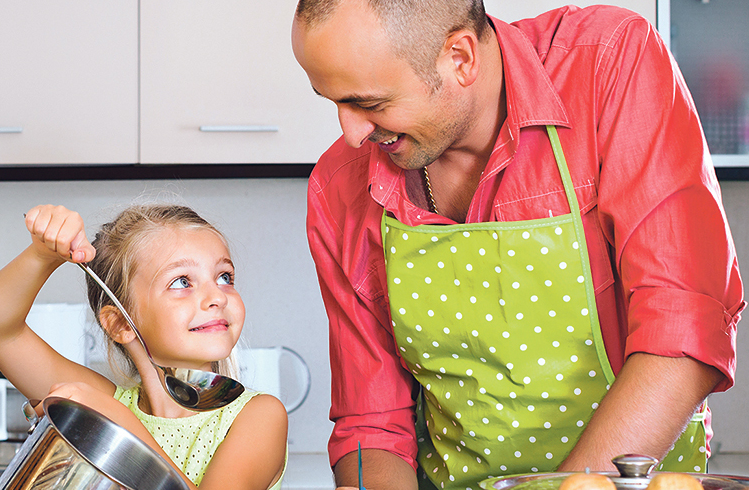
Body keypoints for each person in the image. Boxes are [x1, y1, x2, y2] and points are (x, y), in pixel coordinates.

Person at [291, 1, 744, 489]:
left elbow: (681, 337)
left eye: (371, 104)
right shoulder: (339, 186)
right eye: (330, 100)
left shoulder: (606, 64)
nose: (351, 133)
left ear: (460, 58)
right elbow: (372, 426)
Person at [0, 204, 288, 490]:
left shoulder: (259, 416)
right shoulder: (109, 403)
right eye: (182, 282)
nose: (218, 297)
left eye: (224, 277)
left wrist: (117, 425)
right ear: (121, 324)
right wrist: (42, 255)